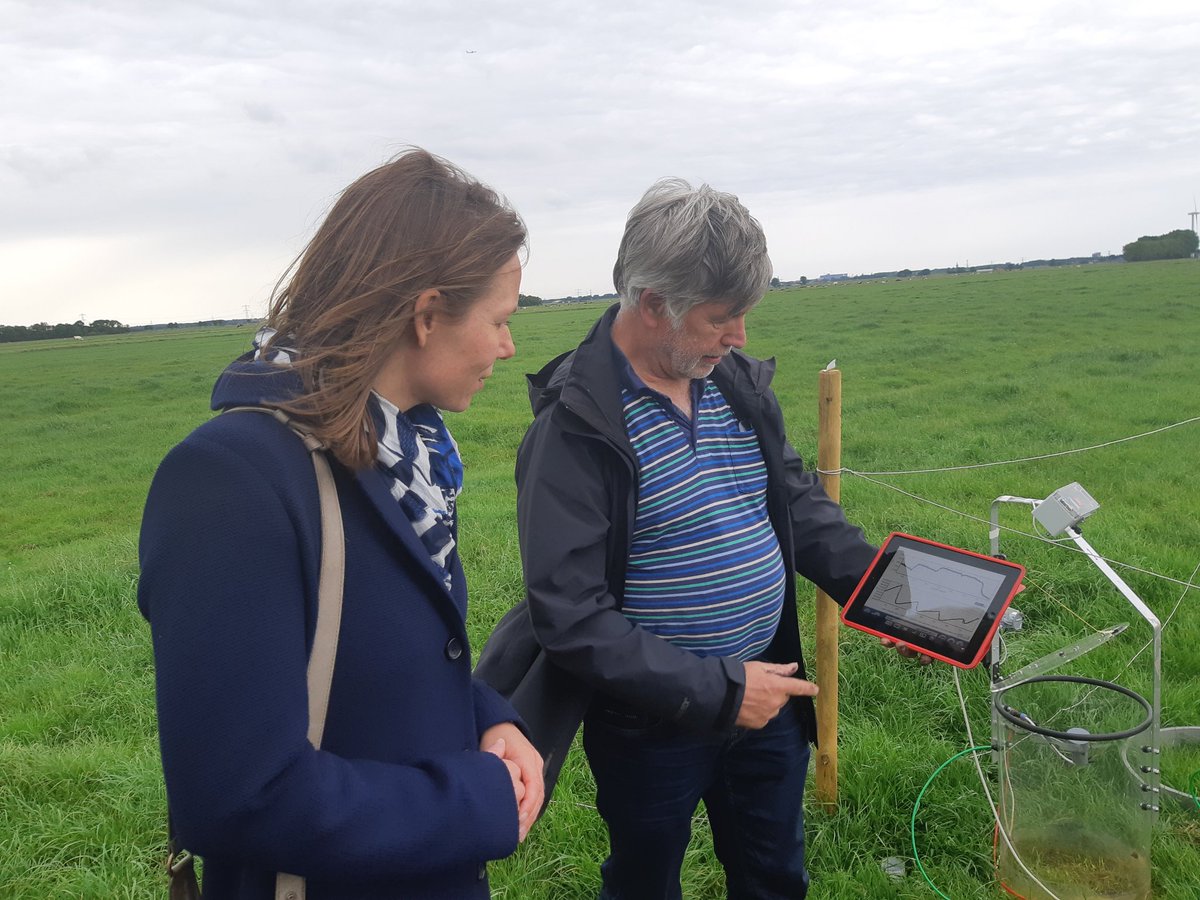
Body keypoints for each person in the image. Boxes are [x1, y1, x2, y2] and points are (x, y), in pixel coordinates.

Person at [138, 148, 543, 900]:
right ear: (426, 316)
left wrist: (490, 718)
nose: (507, 347)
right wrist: (474, 801)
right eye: (498, 320)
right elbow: (237, 795)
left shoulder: (409, 453)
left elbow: (399, 655)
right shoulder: (233, 481)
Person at [514, 179, 883, 899]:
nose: (740, 335)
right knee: (647, 880)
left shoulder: (737, 385)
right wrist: (716, 690)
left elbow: (797, 508)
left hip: (769, 692)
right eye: (722, 317)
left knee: (774, 873)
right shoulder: (575, 429)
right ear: (653, 304)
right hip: (649, 722)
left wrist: (888, 594)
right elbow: (570, 615)